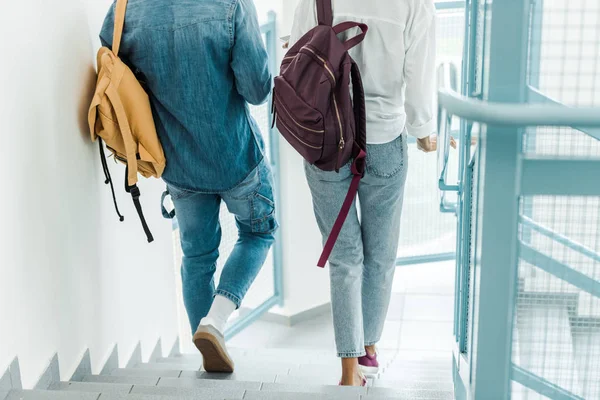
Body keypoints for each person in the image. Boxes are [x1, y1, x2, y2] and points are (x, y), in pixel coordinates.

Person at [100, 0, 277, 373]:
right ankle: (216, 320)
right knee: (259, 233)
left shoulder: (125, 9)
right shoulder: (231, 5)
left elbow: (112, 64)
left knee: (197, 257)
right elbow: (258, 90)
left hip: (177, 161)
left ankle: (209, 350)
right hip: (235, 156)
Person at [290, 0, 438, 386]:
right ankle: (368, 347)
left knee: (344, 257)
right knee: (380, 255)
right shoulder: (416, 4)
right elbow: (418, 76)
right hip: (384, 136)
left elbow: (295, 54)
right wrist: (423, 129)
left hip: (325, 138)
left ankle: (348, 371)